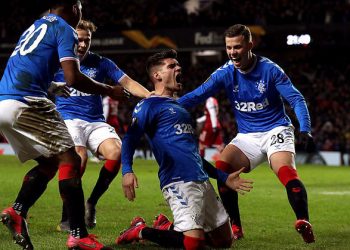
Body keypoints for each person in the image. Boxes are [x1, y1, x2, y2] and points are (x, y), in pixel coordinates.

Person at [0, 1, 124, 249]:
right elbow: (73, 77)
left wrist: (50, 86)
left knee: (49, 163)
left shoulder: (34, 26)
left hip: (4, 103)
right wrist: (111, 90)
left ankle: (17, 212)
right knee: (71, 161)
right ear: (71, 7)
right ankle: (78, 233)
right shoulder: (65, 28)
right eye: (79, 5)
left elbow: (25, 66)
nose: (81, 11)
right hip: (28, 102)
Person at [178, 24, 316, 243]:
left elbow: (296, 99)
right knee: (223, 167)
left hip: (276, 129)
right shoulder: (225, 73)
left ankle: (303, 221)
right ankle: (236, 227)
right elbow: (198, 95)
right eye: (229, 47)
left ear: (250, 45)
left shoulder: (270, 70)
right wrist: (168, 105)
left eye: (238, 47)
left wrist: (305, 128)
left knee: (285, 171)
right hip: (247, 136)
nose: (233, 52)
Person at [115, 49, 253, 249]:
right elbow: (130, 138)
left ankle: (166, 226)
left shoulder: (180, 109)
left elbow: (193, 156)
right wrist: (127, 170)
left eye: (178, 64)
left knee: (224, 241)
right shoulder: (148, 105)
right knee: (193, 244)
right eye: (171, 66)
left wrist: (223, 177)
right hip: (178, 181)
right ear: (157, 75)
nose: (178, 67)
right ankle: (140, 230)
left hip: (202, 180)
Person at [53, 19, 150, 232]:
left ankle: (92, 202)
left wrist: (152, 96)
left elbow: (128, 83)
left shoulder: (101, 62)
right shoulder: (58, 61)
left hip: (95, 121)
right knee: (79, 157)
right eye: (78, 40)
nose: (82, 45)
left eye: (86, 40)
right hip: (68, 118)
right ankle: (67, 216)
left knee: (117, 152)